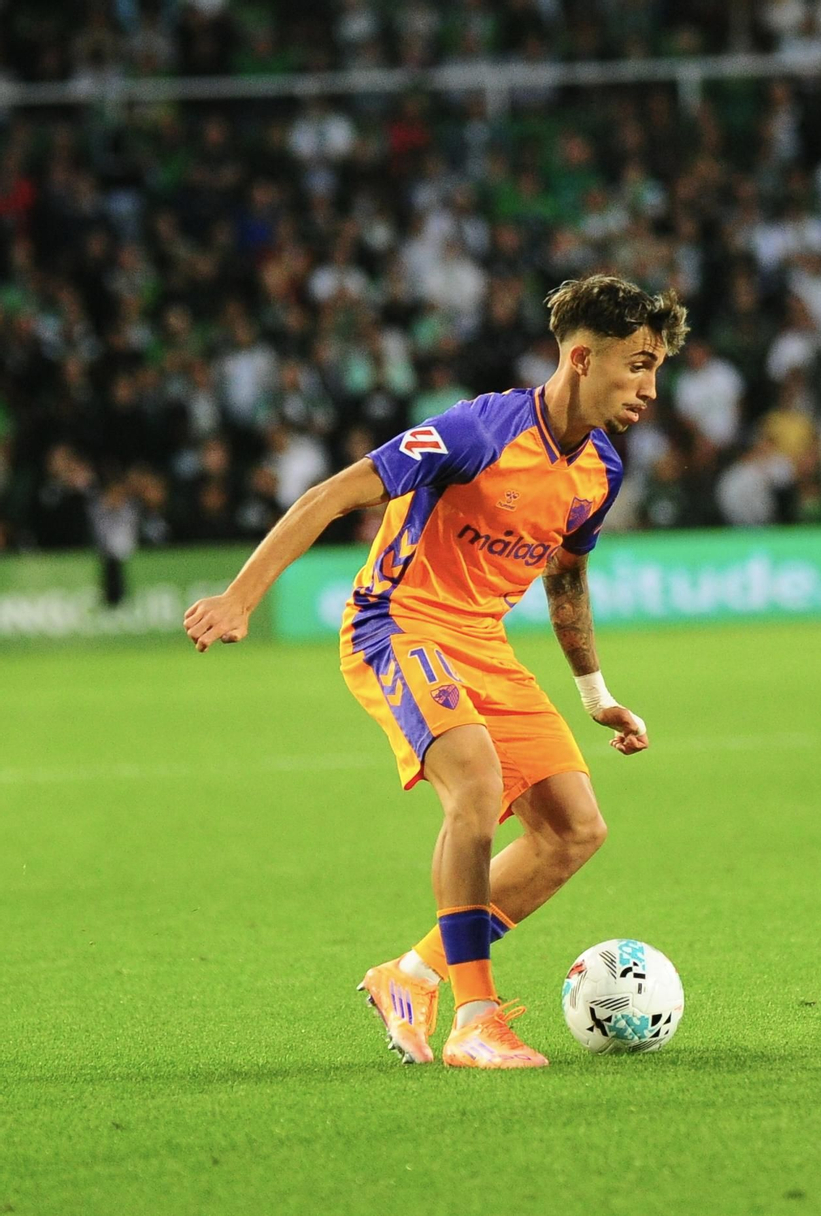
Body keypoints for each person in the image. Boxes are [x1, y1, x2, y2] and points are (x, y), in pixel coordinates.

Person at [184, 275, 688, 1069]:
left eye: (657, 368)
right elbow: (330, 494)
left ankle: (410, 973)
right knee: (478, 787)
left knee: (573, 831)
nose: (650, 388)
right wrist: (241, 597)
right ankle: (474, 1019)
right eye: (638, 365)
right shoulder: (476, 431)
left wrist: (596, 692)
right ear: (583, 358)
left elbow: (565, 576)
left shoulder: (602, 470)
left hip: (481, 642)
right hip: (399, 623)